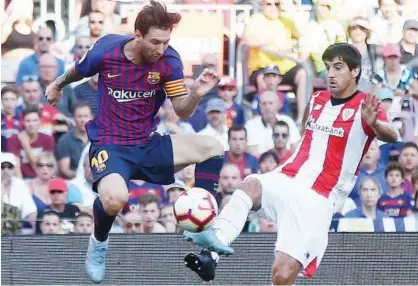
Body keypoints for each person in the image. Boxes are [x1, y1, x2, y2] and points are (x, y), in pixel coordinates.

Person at [183, 43, 398, 283]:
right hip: (287, 177)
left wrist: (376, 124)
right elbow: (307, 134)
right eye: (328, 68)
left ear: (355, 71)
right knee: (249, 185)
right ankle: (211, 255)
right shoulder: (317, 99)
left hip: (318, 196)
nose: (331, 74)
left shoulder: (365, 105)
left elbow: (392, 135)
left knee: (282, 275)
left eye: (338, 68)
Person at [45, 1, 224, 283]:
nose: (161, 49)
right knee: (116, 199)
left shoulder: (170, 62)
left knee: (212, 148)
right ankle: (99, 241)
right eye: (155, 42)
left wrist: (197, 94)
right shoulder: (107, 50)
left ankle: (200, 227)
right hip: (110, 144)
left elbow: (182, 110)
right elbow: (79, 70)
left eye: (166, 42)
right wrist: (57, 84)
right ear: (137, 35)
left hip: (147, 143)